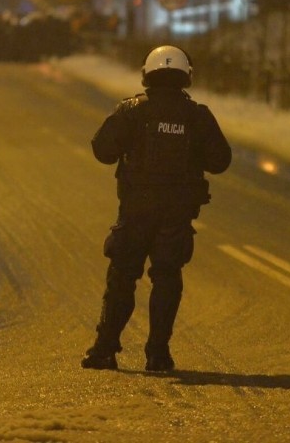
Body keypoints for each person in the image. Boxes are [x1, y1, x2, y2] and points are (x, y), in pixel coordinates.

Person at [82, 45, 232, 372]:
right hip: (176, 216)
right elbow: (221, 161)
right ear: (186, 75)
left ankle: (104, 350)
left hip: (135, 214)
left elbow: (102, 150)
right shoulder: (197, 115)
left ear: (147, 73)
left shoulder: (132, 110)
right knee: (167, 278)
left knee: (121, 278)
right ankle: (158, 354)